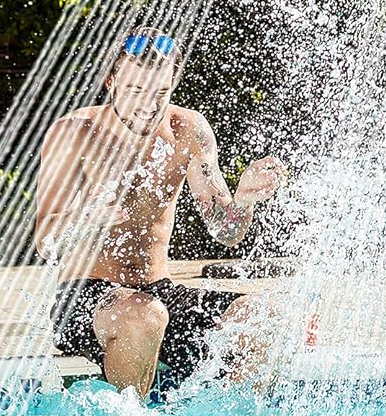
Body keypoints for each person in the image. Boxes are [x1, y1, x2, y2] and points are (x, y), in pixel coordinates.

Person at [36, 27, 285, 396]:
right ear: (111, 81)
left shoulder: (187, 129)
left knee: (265, 319)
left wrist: (243, 200)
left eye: (160, 93)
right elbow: (46, 242)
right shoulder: (75, 132)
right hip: (83, 296)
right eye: (136, 90)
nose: (148, 105)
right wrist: (88, 219)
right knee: (145, 315)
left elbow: (226, 230)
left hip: (158, 291)